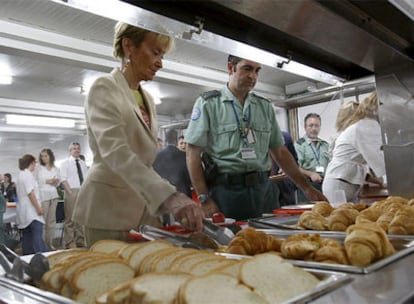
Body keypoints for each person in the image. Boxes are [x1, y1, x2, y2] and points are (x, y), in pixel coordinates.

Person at [72, 22, 204, 247]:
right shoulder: (104, 87)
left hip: (144, 212)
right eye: (155, 52)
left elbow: (144, 161)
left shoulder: (148, 99)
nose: (160, 63)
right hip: (108, 211)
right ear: (129, 46)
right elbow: (116, 153)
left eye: (162, 55)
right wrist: (168, 196)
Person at [185, 54, 327, 221]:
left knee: (270, 240)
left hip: (263, 190)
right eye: (247, 69)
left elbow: (280, 152)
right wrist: (203, 198)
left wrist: (306, 187)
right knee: (232, 244)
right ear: (231, 68)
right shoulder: (209, 103)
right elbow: (192, 153)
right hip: (226, 192)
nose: (253, 76)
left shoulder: (264, 106)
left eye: (257, 70)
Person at [322, 92, 386, 203]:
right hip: (339, 183)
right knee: (341, 217)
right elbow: (379, 161)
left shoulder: (359, 129)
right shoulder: (362, 128)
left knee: (351, 217)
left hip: (348, 183)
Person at [16, 154, 47, 254]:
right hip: (32, 211)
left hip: (24, 211)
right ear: (32, 163)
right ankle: (42, 258)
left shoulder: (20, 175)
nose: (35, 166)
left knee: (27, 238)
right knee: (37, 236)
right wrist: (38, 208)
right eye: (35, 163)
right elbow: (30, 193)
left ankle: (27, 259)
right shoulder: (28, 175)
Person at [294, 113, 330, 202]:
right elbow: (295, 168)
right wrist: (311, 174)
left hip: (325, 184)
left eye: (317, 126)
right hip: (307, 185)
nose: (314, 129)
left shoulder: (325, 145)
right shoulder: (299, 145)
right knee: (309, 213)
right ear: (305, 127)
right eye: (311, 126)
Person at [60, 142, 88, 248]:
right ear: (70, 151)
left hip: (82, 191)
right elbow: (63, 179)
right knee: (70, 219)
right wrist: (70, 192)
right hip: (71, 191)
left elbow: (86, 179)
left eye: (78, 148)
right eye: (74, 148)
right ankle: (69, 242)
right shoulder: (65, 163)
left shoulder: (83, 163)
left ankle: (80, 240)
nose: (76, 150)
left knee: (80, 218)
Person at [153, 129, 192, 198]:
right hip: (183, 197)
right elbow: (190, 178)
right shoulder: (184, 156)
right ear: (177, 140)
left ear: (166, 140)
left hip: (163, 197)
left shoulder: (155, 157)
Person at [36, 148, 60, 250]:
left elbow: (58, 182)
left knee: (52, 221)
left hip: (53, 195)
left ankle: (50, 243)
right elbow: (37, 181)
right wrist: (47, 181)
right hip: (43, 196)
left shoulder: (56, 168)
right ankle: (43, 245)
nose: (44, 158)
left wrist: (55, 181)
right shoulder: (38, 168)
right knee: (44, 221)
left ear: (50, 156)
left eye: (46, 156)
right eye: (42, 156)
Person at [269, 131, 298, 206]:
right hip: (266, 188)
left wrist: (287, 168)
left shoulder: (285, 136)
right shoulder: (253, 138)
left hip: (285, 187)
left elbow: (294, 161)